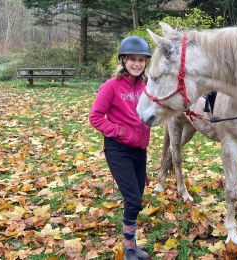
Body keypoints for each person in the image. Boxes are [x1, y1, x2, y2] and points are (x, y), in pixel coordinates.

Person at [89, 36, 151, 260]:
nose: (137, 64)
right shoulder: (111, 86)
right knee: (133, 199)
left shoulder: (147, 86)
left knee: (137, 199)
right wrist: (120, 131)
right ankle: (129, 249)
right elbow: (95, 117)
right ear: (123, 60)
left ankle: (130, 244)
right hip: (118, 148)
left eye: (141, 60)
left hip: (139, 150)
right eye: (132, 59)